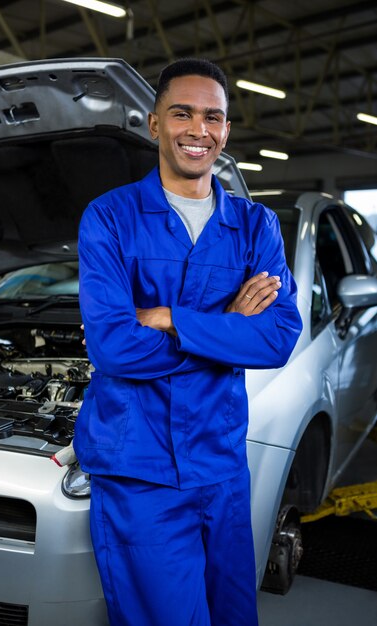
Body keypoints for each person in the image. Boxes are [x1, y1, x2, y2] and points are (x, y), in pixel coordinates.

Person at [74, 58, 302, 626]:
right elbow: (113, 348)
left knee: (232, 615)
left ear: (226, 131)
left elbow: (276, 338)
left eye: (213, 117)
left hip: (221, 463)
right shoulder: (110, 218)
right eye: (182, 114)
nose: (198, 129)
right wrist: (228, 322)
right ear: (154, 124)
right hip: (139, 468)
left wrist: (172, 317)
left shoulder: (255, 227)